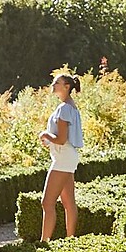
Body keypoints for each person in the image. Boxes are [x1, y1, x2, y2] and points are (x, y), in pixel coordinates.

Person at [37, 72, 84, 242]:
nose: (53, 84)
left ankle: (44, 243)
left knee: (47, 203)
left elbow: (61, 139)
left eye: (57, 82)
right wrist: (50, 140)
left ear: (67, 87)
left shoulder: (64, 108)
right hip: (68, 156)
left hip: (63, 158)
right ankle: (70, 240)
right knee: (68, 202)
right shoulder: (70, 106)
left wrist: (45, 135)